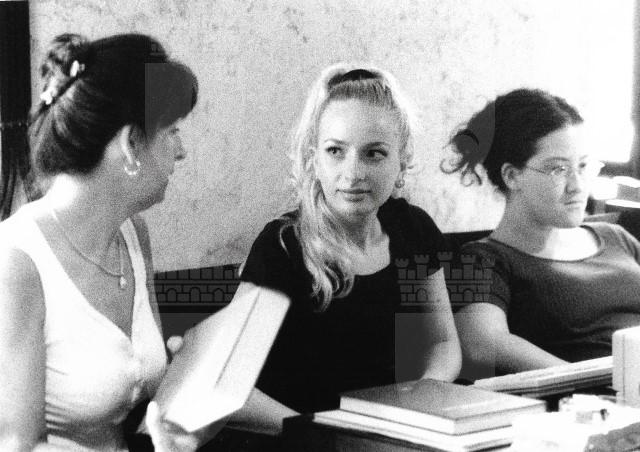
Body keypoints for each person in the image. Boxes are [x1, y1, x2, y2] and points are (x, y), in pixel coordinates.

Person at [231, 63, 461, 436]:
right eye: (336, 151)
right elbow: (231, 387)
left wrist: (418, 401)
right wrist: (324, 433)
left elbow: (443, 342)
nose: (353, 173)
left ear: (402, 160)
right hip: (299, 439)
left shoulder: (413, 230)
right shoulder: (282, 246)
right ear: (314, 159)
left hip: (390, 435)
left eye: (374, 154)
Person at [0, 33, 202, 451]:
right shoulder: (15, 263)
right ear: (130, 144)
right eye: (172, 131)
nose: (181, 151)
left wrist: (189, 372)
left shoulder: (133, 235)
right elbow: (18, 446)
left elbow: (148, 404)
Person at [443, 88, 640, 378]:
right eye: (558, 169)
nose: (577, 185)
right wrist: (608, 381)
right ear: (512, 176)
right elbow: (482, 343)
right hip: (595, 395)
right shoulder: (477, 260)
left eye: (583, 166)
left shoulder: (616, 237)